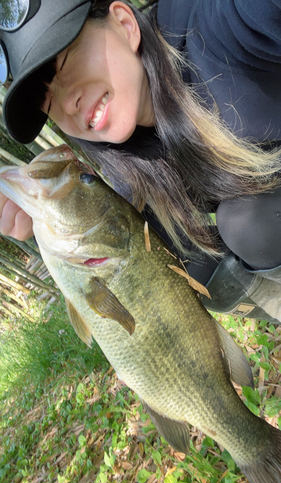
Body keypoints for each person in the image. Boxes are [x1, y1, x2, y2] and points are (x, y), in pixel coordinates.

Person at [1, 0, 281, 321]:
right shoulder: (128, 162)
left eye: (67, 62)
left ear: (124, 23)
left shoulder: (221, 27)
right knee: (171, 261)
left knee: (249, 222)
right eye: (49, 103)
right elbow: (110, 268)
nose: (69, 103)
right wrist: (47, 222)